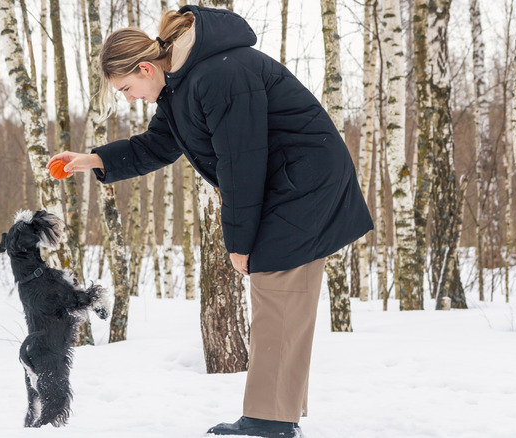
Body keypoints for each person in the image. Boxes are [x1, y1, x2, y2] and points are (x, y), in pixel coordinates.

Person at [49, 5, 373, 437]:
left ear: (146, 67)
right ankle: (276, 416)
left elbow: (242, 162)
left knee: (277, 294)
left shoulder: (220, 74)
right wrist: (93, 159)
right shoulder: (181, 85)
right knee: (281, 298)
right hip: (287, 183)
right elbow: (159, 145)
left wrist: (240, 243)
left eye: (127, 88)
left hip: (301, 184)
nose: (129, 98)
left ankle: (271, 421)